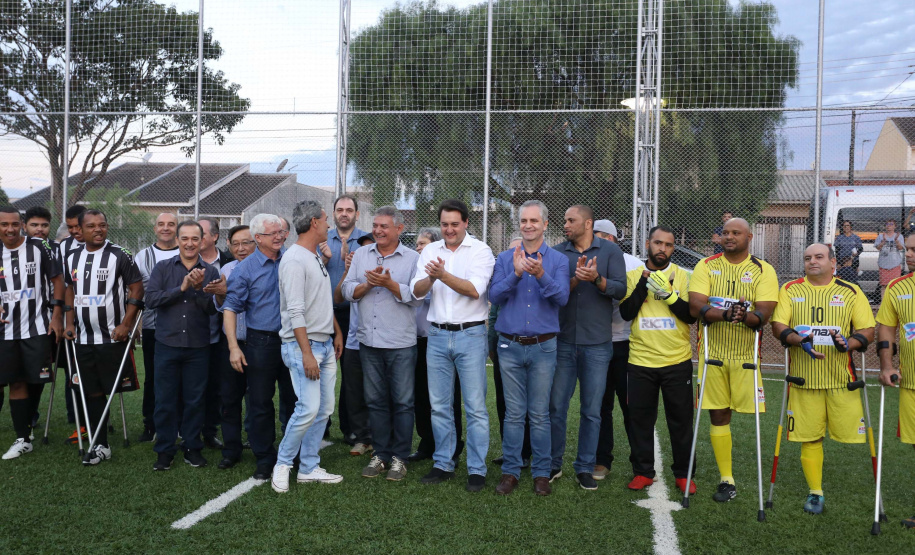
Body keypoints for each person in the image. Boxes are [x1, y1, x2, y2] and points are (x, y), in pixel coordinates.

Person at [770, 243, 875, 514]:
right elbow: (779, 325)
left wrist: (848, 344)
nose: (812, 262)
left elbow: (867, 330)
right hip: (804, 380)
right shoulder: (790, 289)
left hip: (843, 380)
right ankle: (815, 492)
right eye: (807, 258)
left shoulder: (850, 291)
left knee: (855, 438)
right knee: (810, 438)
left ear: (832, 262)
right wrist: (798, 339)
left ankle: (875, 495)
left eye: (818, 257)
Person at [688, 217, 778, 503]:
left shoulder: (764, 270)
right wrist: (728, 314)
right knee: (718, 413)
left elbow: (764, 313)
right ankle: (726, 479)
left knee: (749, 416)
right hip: (712, 353)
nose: (729, 237)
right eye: (725, 232)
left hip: (746, 356)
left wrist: (746, 317)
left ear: (749, 236)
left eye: (735, 233)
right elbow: (696, 306)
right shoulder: (706, 265)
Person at [410, 199, 495, 490]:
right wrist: (431, 279)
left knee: (474, 407)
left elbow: (474, 290)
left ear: (466, 223)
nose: (449, 229)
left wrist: (441, 275)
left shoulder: (481, 250)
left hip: (470, 335)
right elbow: (417, 292)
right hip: (436, 335)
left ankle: (476, 469)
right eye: (444, 224)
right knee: (439, 406)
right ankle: (443, 463)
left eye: (454, 224)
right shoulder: (431, 251)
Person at [490, 200, 570, 496]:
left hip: (543, 347)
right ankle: (510, 471)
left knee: (539, 414)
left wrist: (539, 274)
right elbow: (494, 296)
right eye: (524, 220)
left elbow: (562, 298)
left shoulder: (558, 261)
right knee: (513, 413)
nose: (528, 225)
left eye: (534, 221)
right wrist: (516, 273)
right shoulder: (504, 258)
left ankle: (541, 473)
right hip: (509, 346)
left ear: (545, 224)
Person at [550, 206, 626, 490]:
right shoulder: (557, 252)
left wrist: (596, 279)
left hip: (597, 346)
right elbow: (553, 294)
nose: (566, 224)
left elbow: (620, 289)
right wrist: (575, 279)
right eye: (565, 219)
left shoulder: (609, 252)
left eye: (571, 220)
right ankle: (554, 463)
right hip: (562, 343)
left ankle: (584, 467)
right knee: (556, 407)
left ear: (588, 223)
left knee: (592, 410)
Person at [343, 206, 422, 481]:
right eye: (375, 225)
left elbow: (417, 297)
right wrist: (366, 286)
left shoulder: (413, 258)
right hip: (369, 341)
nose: (377, 231)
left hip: (400, 342)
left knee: (402, 402)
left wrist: (388, 284)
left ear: (399, 229)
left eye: (384, 226)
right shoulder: (362, 254)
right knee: (375, 401)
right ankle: (381, 454)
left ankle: (400, 458)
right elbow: (346, 290)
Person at [272, 201, 344, 492]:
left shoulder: (313, 256)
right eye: (326, 219)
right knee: (308, 408)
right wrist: (306, 353)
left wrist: (336, 332)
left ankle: (310, 467)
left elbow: (320, 302)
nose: (329, 224)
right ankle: (283, 464)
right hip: (305, 346)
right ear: (314, 222)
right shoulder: (294, 260)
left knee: (324, 409)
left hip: (324, 344)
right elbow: (296, 311)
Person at [62, 209, 144, 466]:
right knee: (90, 391)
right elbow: (69, 290)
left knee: (109, 388)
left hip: (111, 338)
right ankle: (101, 445)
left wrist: (126, 323)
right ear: (80, 230)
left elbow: (137, 287)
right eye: (92, 226)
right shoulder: (72, 257)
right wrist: (68, 321)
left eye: (103, 225)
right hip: (83, 339)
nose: (98, 229)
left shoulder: (120, 255)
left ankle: (100, 439)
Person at [620, 225, 697, 494]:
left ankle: (684, 474)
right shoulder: (632, 275)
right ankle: (643, 472)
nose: (662, 249)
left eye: (668, 245)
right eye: (657, 243)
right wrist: (645, 281)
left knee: (681, 420)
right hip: (641, 361)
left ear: (673, 249)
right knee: (640, 419)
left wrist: (670, 294)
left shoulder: (684, 276)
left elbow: (691, 315)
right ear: (648, 243)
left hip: (677, 361)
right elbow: (627, 312)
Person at [222, 214, 297, 480]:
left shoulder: (295, 259)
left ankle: (292, 456)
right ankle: (265, 458)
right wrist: (233, 347)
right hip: (260, 343)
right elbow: (230, 308)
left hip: (294, 340)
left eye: (281, 231)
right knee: (260, 403)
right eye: (272, 233)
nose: (279, 236)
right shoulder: (245, 268)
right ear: (258, 238)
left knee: (295, 400)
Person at [145, 220, 219, 470]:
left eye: (195, 239)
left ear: (202, 241)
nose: (189, 243)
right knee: (165, 400)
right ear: (177, 241)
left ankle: (191, 447)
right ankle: (164, 451)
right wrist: (182, 287)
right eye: (184, 238)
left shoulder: (210, 272)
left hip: (198, 347)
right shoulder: (163, 268)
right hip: (167, 344)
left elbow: (213, 309)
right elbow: (152, 299)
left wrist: (198, 290)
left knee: (195, 400)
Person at [0, 206, 64, 460]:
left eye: (15, 224)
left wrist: (57, 316)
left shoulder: (40, 248)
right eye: (4, 224)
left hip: (37, 327)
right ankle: (23, 438)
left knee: (35, 380)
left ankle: (25, 430)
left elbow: (58, 280)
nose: (10, 229)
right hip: (5, 331)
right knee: (15, 381)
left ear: (22, 225)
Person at [589, 220, 642, 481]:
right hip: (597, 343)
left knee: (632, 406)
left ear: (610, 239)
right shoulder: (586, 260)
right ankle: (601, 460)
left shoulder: (634, 264)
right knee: (600, 405)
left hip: (628, 344)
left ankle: (640, 462)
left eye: (598, 237)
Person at [412, 227, 465, 464]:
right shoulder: (418, 269)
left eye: (423, 244)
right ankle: (427, 440)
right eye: (417, 245)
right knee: (421, 395)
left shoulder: (445, 268)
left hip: (440, 338)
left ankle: (454, 443)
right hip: (416, 341)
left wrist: (433, 278)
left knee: (448, 396)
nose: (419, 248)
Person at [875, 233, 915, 528]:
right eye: (908, 249)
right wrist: (887, 365)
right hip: (911, 383)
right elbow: (887, 330)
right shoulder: (897, 287)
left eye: (914, 250)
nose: (909, 254)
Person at [324, 194, 369, 442]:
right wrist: (324, 259)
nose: (344, 214)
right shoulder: (322, 240)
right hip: (325, 313)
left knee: (352, 374)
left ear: (356, 214)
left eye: (349, 210)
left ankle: (350, 426)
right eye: (340, 209)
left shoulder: (365, 241)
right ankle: (322, 424)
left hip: (354, 313)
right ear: (333, 214)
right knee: (322, 370)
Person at [133, 213, 179, 443]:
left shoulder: (188, 252)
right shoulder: (143, 256)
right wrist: (135, 324)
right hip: (153, 326)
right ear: (155, 228)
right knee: (153, 377)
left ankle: (179, 424)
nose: (166, 228)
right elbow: (136, 292)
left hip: (184, 327)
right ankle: (150, 424)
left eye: (171, 224)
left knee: (182, 377)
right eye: (161, 224)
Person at [214, 225, 255, 469]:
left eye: (246, 243)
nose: (241, 248)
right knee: (229, 399)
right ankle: (232, 449)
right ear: (228, 245)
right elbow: (220, 306)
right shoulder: (225, 269)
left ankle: (260, 445)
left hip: (258, 342)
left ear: (256, 243)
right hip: (231, 343)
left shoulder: (266, 268)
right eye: (236, 244)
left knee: (259, 398)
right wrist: (220, 293)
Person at [334, 234, 376, 457]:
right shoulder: (353, 271)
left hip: (380, 341)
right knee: (354, 391)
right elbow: (338, 297)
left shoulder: (382, 272)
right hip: (354, 341)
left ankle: (379, 438)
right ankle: (362, 438)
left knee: (379, 392)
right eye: (360, 251)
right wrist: (346, 270)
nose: (365, 254)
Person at [488, 237, 528, 467]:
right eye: (513, 251)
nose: (517, 256)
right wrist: (492, 344)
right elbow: (494, 313)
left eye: (521, 251)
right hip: (505, 345)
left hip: (533, 346)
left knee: (532, 404)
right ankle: (511, 450)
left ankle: (528, 451)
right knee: (504, 400)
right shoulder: (503, 275)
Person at [197, 216, 233, 450]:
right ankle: (186, 431)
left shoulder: (230, 261)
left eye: (200, 233)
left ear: (214, 237)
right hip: (194, 334)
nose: (195, 239)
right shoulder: (185, 261)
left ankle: (210, 432)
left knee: (216, 387)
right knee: (192, 386)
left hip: (221, 335)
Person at [22, 206, 58, 430]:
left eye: (44, 225)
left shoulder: (56, 249)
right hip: (12, 321)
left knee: (38, 372)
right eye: (34, 225)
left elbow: (62, 285)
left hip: (43, 320)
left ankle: (30, 413)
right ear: (25, 226)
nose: (40, 229)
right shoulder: (12, 248)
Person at [59, 204, 86, 438]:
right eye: (70, 227)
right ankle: (74, 412)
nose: (75, 231)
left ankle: (97, 415)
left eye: (78, 226)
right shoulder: (64, 247)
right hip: (72, 319)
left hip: (98, 320)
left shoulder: (105, 246)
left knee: (95, 369)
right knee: (73, 370)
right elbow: (65, 285)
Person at [875, 219, 905, 298]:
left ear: (895, 226)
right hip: (883, 264)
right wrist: (883, 241)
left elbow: (900, 248)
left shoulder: (899, 236)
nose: (889, 225)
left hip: (895, 264)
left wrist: (896, 241)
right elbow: (878, 248)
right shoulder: (881, 236)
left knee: (895, 285)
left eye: (891, 224)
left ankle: (894, 303)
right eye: (887, 224)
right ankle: (884, 303)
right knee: (884, 286)